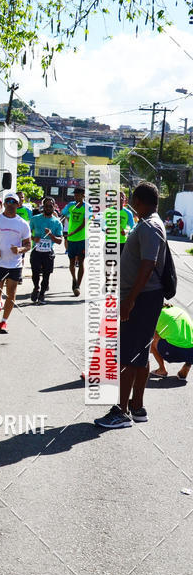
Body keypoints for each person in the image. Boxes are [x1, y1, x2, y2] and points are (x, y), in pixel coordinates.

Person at [94, 182, 166, 429]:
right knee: (139, 353)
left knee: (127, 356)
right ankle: (137, 406)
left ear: (137, 201)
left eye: (132, 200)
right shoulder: (149, 223)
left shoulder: (149, 226)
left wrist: (130, 300)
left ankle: (121, 411)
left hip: (142, 299)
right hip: (144, 298)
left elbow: (148, 264)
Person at [0, 192, 31, 333]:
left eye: (14, 202)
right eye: (8, 201)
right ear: (4, 204)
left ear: (18, 205)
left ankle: (4, 322)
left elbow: (28, 245)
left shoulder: (23, 224)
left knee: (11, 293)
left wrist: (20, 249)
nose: (11, 204)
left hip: (14, 264)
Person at [29, 196, 64, 304]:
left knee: (46, 274)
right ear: (42, 207)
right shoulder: (35, 219)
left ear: (54, 207)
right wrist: (33, 238)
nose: (48, 208)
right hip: (36, 250)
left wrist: (52, 235)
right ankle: (36, 288)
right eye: (46, 206)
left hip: (48, 252)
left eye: (50, 206)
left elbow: (59, 240)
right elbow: (27, 233)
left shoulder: (57, 222)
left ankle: (42, 294)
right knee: (35, 273)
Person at [150, 303, 193, 381]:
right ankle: (187, 365)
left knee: (151, 336)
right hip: (191, 353)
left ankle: (162, 370)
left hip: (173, 351)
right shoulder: (179, 310)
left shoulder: (156, 314)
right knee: (187, 338)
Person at [62, 186, 90, 296]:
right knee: (71, 262)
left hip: (82, 238)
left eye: (78, 194)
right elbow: (63, 215)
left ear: (83, 195)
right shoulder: (70, 205)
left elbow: (84, 223)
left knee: (81, 262)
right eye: (75, 194)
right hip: (71, 239)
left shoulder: (87, 207)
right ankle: (74, 280)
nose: (76, 196)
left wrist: (74, 232)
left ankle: (78, 284)